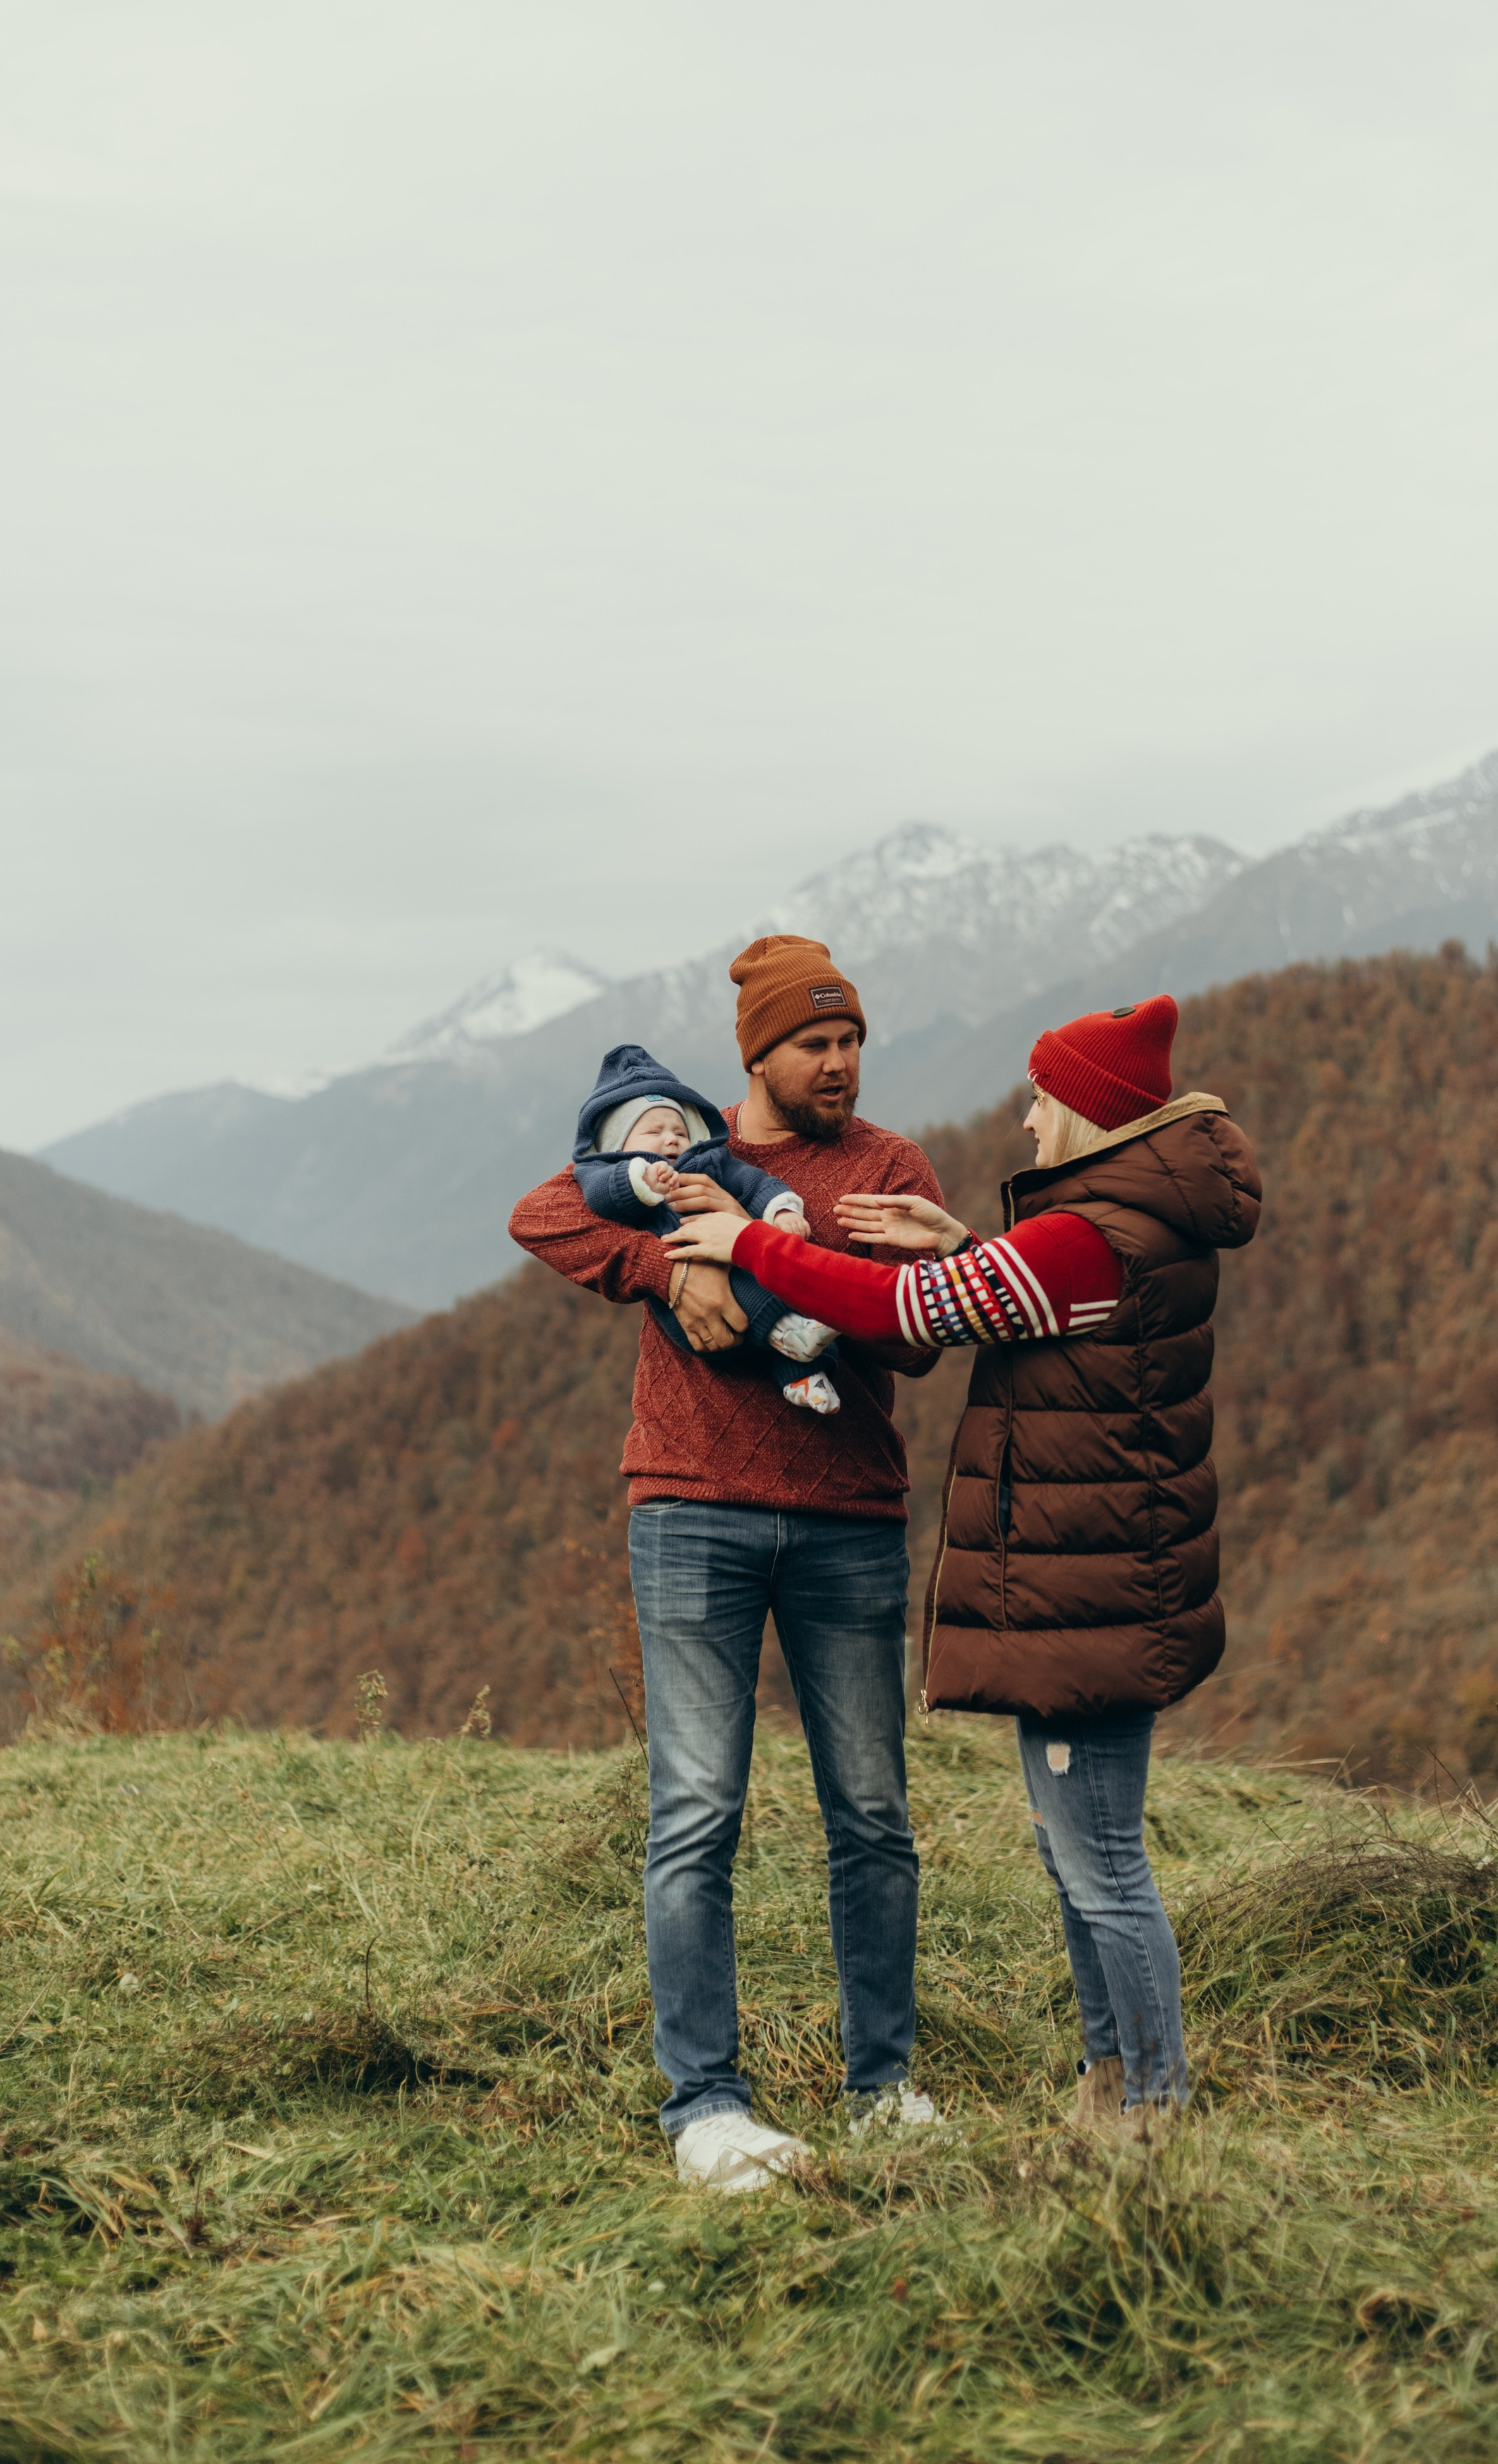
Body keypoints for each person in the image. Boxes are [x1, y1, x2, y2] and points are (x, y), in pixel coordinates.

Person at [664, 992, 1262, 2131]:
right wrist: (978, 1247)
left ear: (1091, 1115)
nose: (1029, 1125)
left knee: (1104, 1872)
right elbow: (1063, 1312)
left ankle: (1157, 2108)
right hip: (1104, 1586)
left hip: (1086, 1599)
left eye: (1045, 1102)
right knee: (1082, 1860)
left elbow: (909, 1310)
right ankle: (1109, 2090)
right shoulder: (1128, 1227)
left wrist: (753, 1244)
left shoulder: (1085, 1235)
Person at [509, 935, 946, 2192]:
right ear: (755, 1052)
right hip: (693, 1509)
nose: (841, 1063)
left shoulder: (885, 1166)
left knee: (871, 1813)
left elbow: (916, 1346)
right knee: (696, 1811)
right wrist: (666, 1268)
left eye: (852, 1040)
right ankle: (706, 2105)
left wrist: (767, 1263)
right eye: (815, 1043)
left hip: (851, 1512)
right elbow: (544, 1209)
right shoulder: (683, 1147)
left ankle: (886, 2088)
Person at [571, 1040, 844, 1414]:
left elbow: (754, 1182)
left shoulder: (709, 1162)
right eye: (654, 1132)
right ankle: (789, 1335)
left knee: (785, 1277)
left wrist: (779, 1212)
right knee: (751, 1289)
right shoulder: (612, 1174)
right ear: (619, 1145)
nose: (671, 1139)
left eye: (679, 1130)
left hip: (735, 1257)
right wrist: (639, 1179)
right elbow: (599, 1194)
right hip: (691, 1316)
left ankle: (803, 1377)